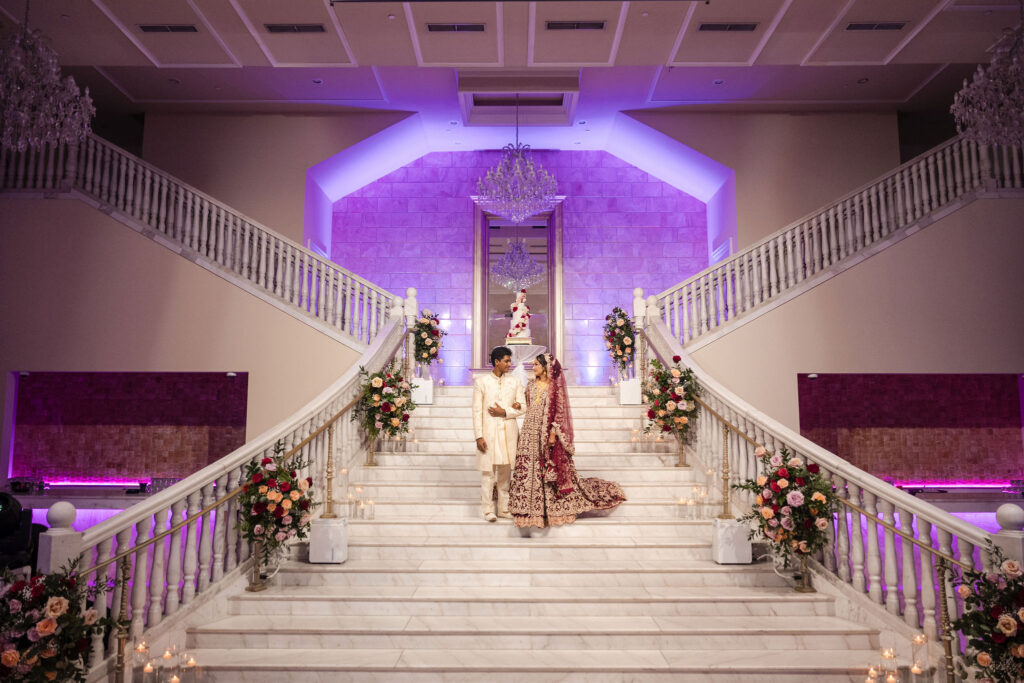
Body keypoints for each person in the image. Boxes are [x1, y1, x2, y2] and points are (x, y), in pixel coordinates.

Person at [509, 353, 626, 528]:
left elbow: (560, 412)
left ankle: (548, 510)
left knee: (546, 468)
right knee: (528, 465)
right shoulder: (531, 385)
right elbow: (525, 405)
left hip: (545, 432)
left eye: (536, 365)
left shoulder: (554, 387)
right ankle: (528, 506)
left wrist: (553, 434)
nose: (533, 368)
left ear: (546, 367)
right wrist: (517, 405)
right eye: (533, 364)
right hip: (528, 432)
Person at [472, 346, 527, 522]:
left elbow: (523, 407)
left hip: (508, 434)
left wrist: (505, 412)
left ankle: (504, 509)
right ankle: (488, 510)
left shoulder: (515, 382)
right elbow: (477, 411)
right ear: (496, 362)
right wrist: (479, 436)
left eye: (509, 361)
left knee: (505, 473)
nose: (509, 364)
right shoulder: (481, 382)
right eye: (506, 361)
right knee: (488, 473)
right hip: (488, 433)